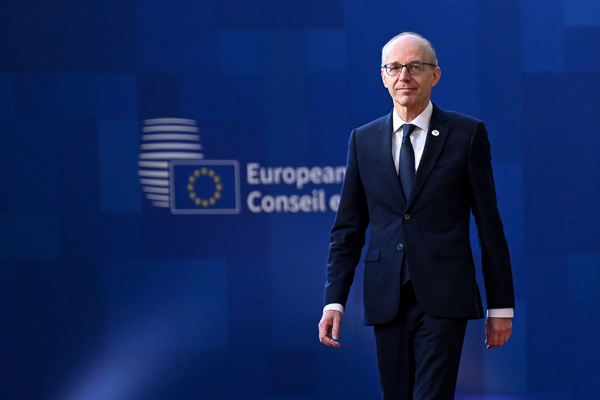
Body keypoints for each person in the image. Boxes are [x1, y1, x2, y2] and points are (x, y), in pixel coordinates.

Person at [318, 32, 515, 400]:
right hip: (386, 297)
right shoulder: (363, 140)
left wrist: (500, 305)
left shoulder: (467, 134)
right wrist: (334, 300)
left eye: (415, 67)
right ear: (383, 77)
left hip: (445, 295)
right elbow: (347, 230)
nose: (404, 76)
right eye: (394, 68)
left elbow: (490, 225)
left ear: (435, 75)